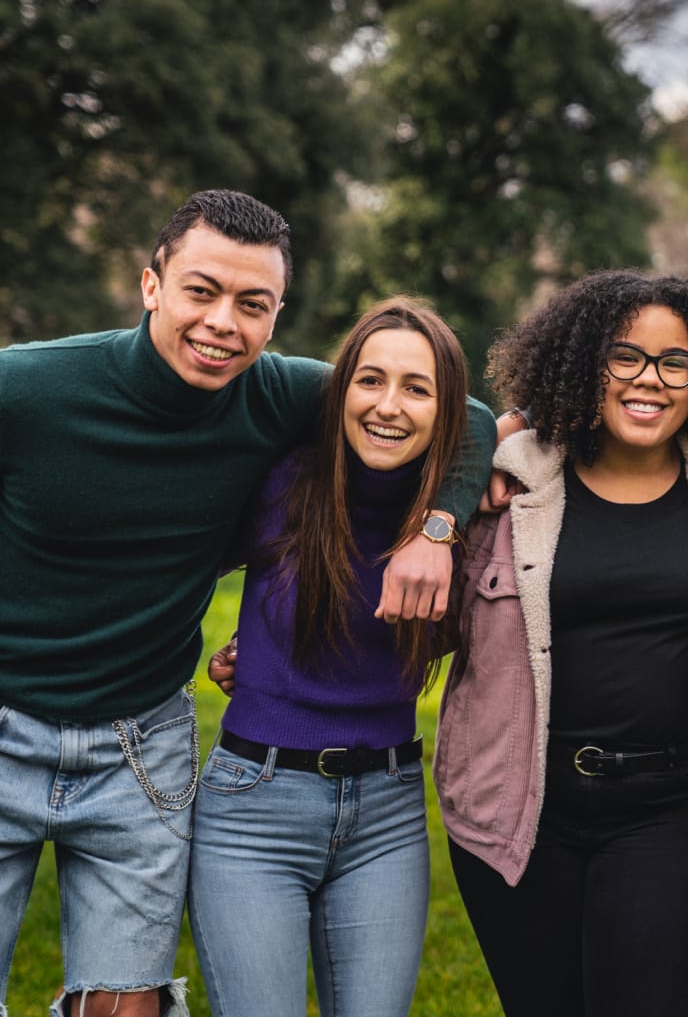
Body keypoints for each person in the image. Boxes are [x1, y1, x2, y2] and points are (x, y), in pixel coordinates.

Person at [0, 190, 492, 1017]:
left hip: (138, 741)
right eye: (202, 290)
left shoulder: (282, 395)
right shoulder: (27, 388)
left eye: (252, 304)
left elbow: (463, 413)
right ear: (151, 283)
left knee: (126, 1007)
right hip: (6, 715)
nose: (223, 322)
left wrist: (438, 528)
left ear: (276, 315)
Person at [435, 271, 688, 1017]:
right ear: (584, 364)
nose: (648, 380)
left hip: (679, 810)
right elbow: (415, 621)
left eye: (673, 362)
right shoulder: (505, 486)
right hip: (521, 809)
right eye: (624, 357)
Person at [187, 298, 468, 1015]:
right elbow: (166, 562)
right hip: (254, 805)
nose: (389, 406)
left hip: (389, 812)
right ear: (339, 391)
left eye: (417, 388)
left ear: (446, 411)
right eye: (370, 381)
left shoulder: (461, 515)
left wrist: (438, 530)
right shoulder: (281, 481)